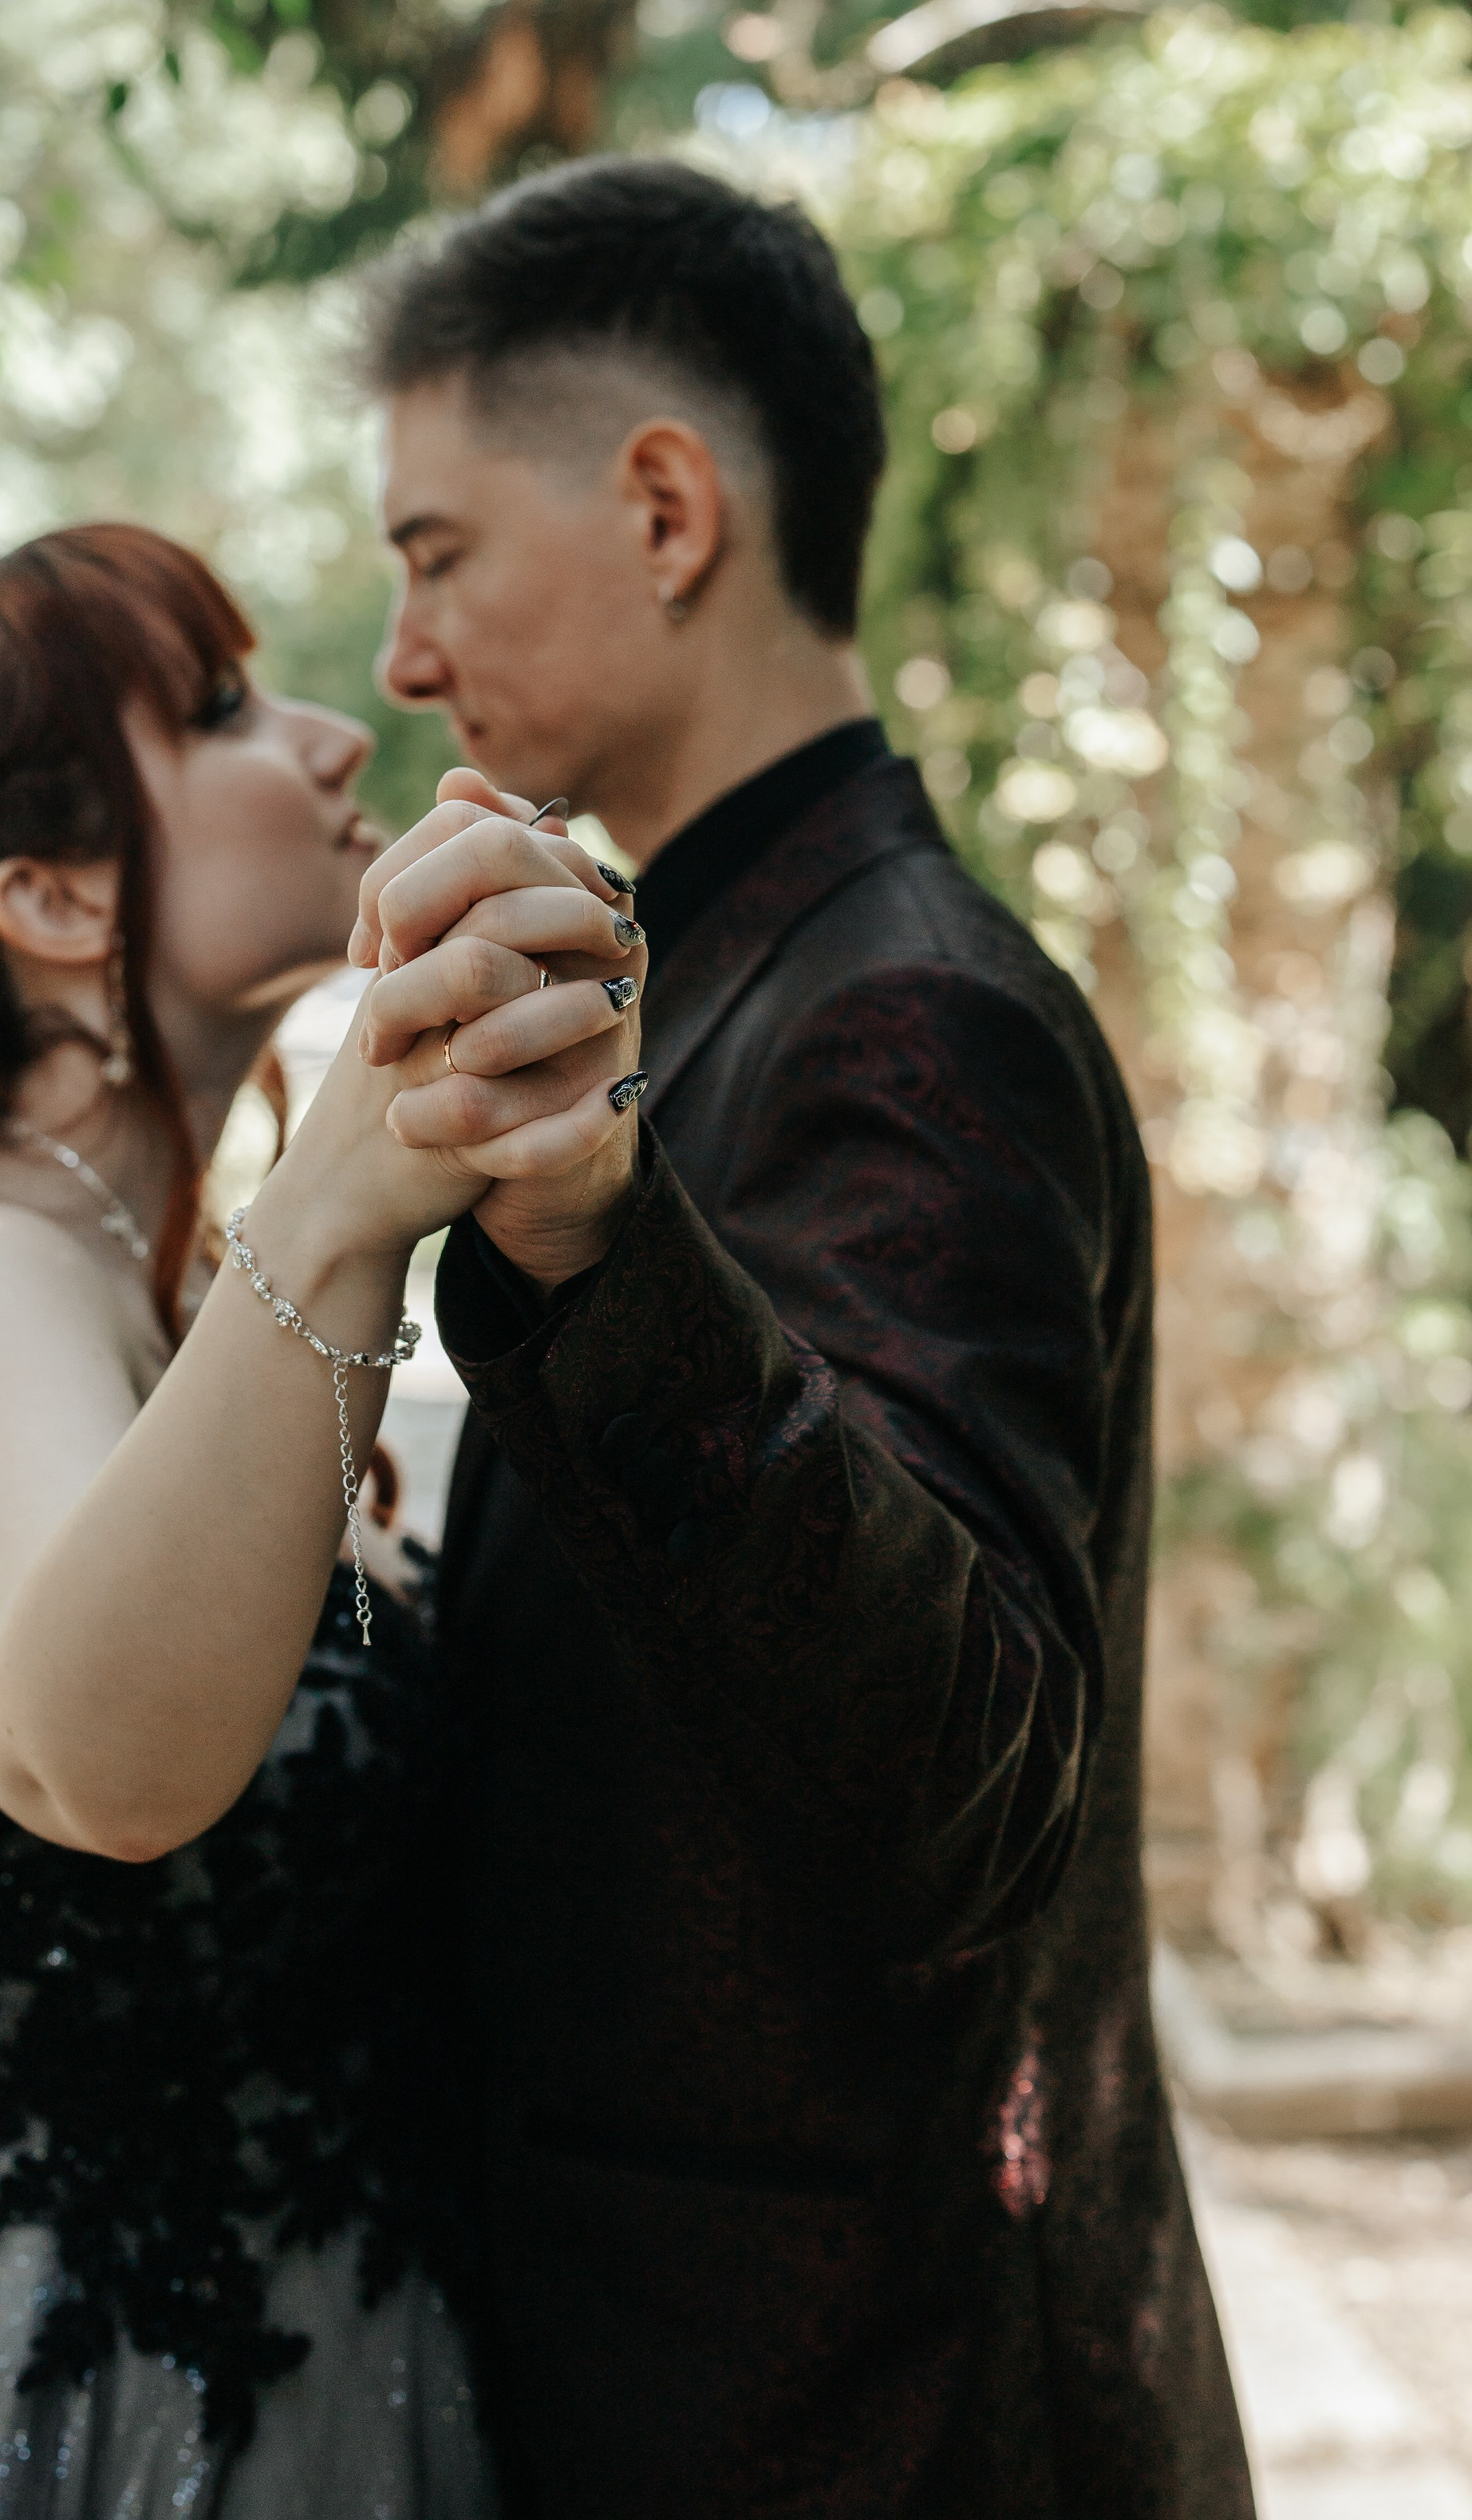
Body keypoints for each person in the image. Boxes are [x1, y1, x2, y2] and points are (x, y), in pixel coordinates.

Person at [344, 159, 1257, 2518]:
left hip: (868, 2421)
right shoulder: (726, 977)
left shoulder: (904, 1007)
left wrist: (594, 1251)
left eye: (437, 553)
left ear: (666, 509)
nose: (406, 658)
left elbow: (961, 1775)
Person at [0, 520, 647, 2520]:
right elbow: (99, 1763)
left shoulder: (157, 1287)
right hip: (50, 2451)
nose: (329, 736)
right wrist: (344, 1190)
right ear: (49, 895)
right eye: (216, 707)